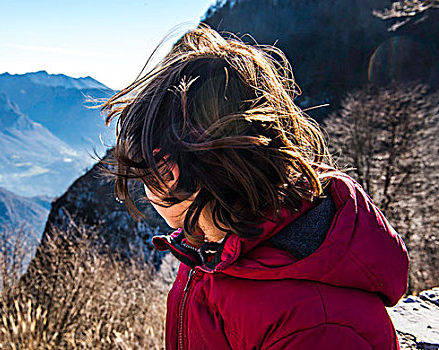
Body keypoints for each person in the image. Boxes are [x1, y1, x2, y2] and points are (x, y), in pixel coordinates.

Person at [101, 25, 409, 350]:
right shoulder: (215, 246)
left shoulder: (315, 326)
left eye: (148, 169)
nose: (146, 188)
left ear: (170, 171)